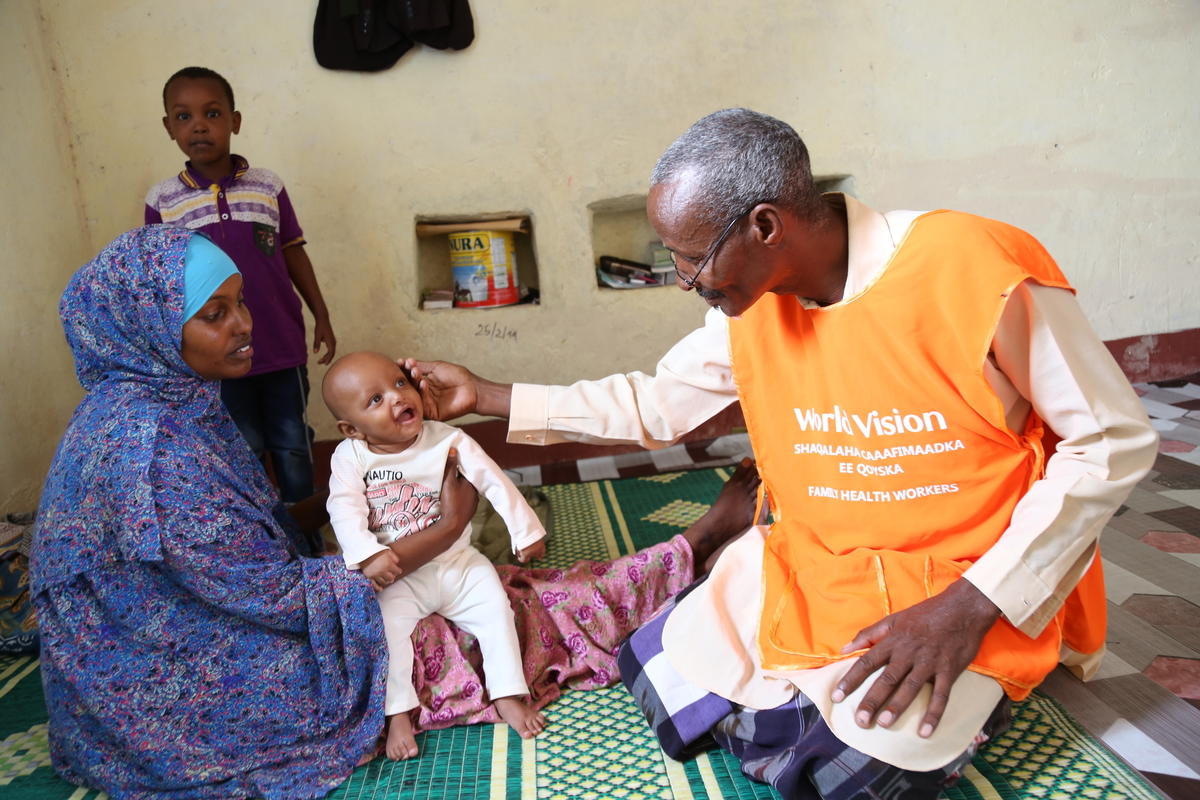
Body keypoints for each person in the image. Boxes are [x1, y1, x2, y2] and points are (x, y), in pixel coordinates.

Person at [406, 108, 1159, 799]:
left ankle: (949, 693)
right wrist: (488, 395)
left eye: (692, 258)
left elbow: (1112, 440)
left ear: (765, 225)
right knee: (653, 673)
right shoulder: (753, 303)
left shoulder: (975, 265)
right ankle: (813, 707)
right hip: (819, 564)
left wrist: (972, 606)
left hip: (959, 577)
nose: (683, 280)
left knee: (852, 776)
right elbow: (656, 404)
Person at [30, 224, 758, 799]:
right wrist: (441, 528)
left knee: (492, 589)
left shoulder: (147, 406)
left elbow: (238, 561)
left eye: (240, 301)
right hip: (202, 691)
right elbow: (281, 599)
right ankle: (698, 542)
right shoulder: (161, 454)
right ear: (150, 328)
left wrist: (378, 507)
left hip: (135, 677)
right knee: (514, 621)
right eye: (214, 315)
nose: (244, 326)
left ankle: (692, 546)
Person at [323, 351, 548, 759]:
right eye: (375, 400)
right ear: (350, 428)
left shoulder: (447, 439)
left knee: (496, 606)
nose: (395, 398)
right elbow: (343, 507)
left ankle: (508, 693)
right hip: (401, 578)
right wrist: (365, 553)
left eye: (399, 384)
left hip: (457, 564)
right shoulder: (350, 457)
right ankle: (399, 715)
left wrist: (525, 530)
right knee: (386, 632)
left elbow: (494, 481)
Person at [145, 66, 336, 510]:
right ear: (169, 127)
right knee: (240, 445)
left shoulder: (267, 186)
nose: (198, 125)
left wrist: (321, 314)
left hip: (280, 343)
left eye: (212, 113)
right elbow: (161, 282)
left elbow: (292, 251)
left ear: (235, 121)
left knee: (292, 441)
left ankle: (306, 542)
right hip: (215, 353)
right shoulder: (163, 201)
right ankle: (261, 540)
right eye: (183, 116)